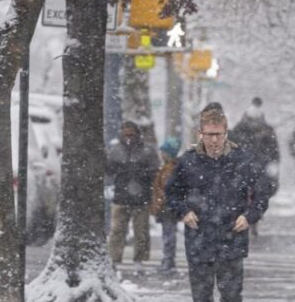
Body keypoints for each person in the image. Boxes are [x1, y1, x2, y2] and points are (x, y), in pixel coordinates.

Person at [165, 103, 271, 302]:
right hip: (199, 238)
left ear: (226, 133)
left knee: (231, 296)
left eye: (218, 134)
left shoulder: (242, 160)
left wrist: (249, 216)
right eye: (209, 134)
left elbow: (262, 193)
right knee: (201, 297)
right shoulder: (188, 161)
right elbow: (171, 193)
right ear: (201, 134)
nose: (214, 140)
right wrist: (184, 211)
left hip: (231, 237)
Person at [106, 121, 160, 267]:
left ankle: (139, 259)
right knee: (117, 230)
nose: (128, 138)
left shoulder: (147, 150)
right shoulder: (115, 150)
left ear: (137, 135)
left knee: (141, 231)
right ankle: (114, 258)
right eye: (125, 135)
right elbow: (109, 170)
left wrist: (141, 173)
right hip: (120, 197)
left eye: (131, 134)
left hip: (141, 197)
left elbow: (155, 171)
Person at [229, 96, 280, 236]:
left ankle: (247, 219)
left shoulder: (239, 129)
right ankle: (252, 219)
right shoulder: (266, 130)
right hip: (256, 167)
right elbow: (274, 150)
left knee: (247, 193)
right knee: (259, 194)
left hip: (248, 167)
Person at [149, 136, 182, 273]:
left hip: (167, 207)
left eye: (163, 151)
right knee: (168, 235)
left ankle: (168, 261)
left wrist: (160, 201)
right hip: (167, 206)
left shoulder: (170, 169)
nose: (161, 154)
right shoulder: (169, 167)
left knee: (168, 236)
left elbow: (166, 189)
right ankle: (168, 260)